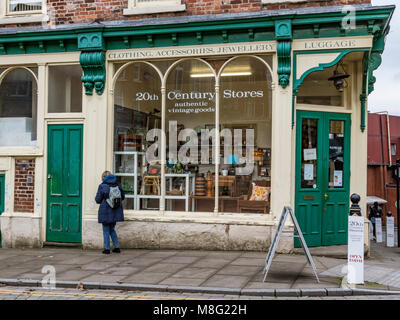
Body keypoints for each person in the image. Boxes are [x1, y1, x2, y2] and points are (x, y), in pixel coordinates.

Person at [95, 170, 125, 254]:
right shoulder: (118, 185)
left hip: (105, 210)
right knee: (112, 229)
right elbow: (122, 197)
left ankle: (107, 249)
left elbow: (98, 199)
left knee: (105, 230)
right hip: (116, 210)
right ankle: (117, 247)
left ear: (103, 177)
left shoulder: (102, 186)